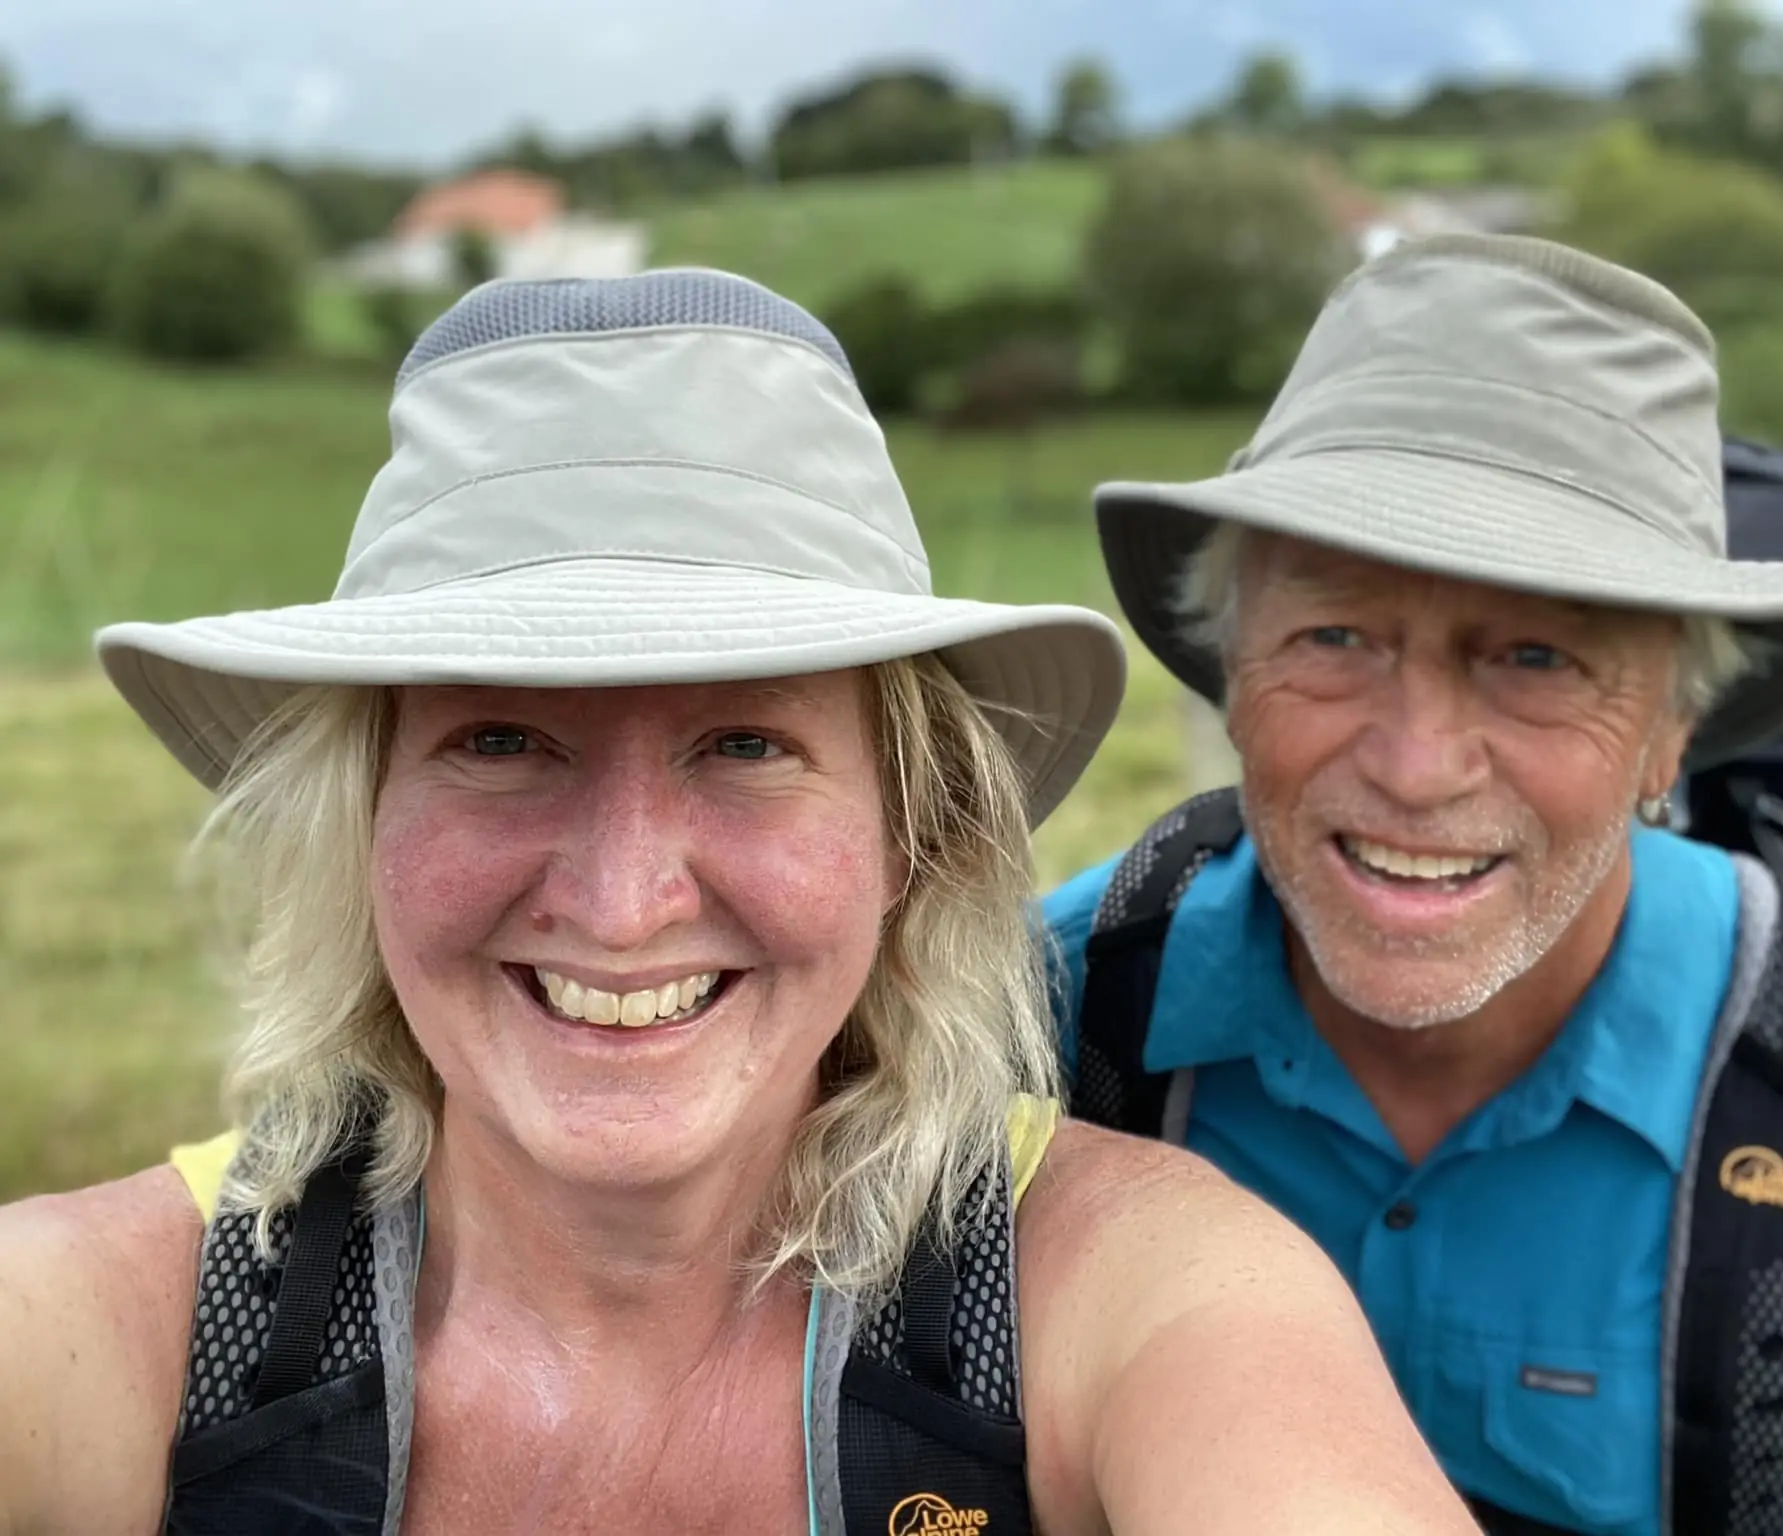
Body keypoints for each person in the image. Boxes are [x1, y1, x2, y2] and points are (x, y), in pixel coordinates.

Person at [0, 270, 1480, 1535]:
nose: (625, 897)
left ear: (914, 835)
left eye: (748, 746)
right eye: (502, 742)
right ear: (365, 826)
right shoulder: (102, 1331)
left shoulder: (1140, 1300)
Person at [1045, 234, 1783, 1535]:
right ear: (1232, 674)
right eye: (1335, 636)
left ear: (1671, 735)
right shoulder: (1008, 1036)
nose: (1417, 767)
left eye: (1535, 658)